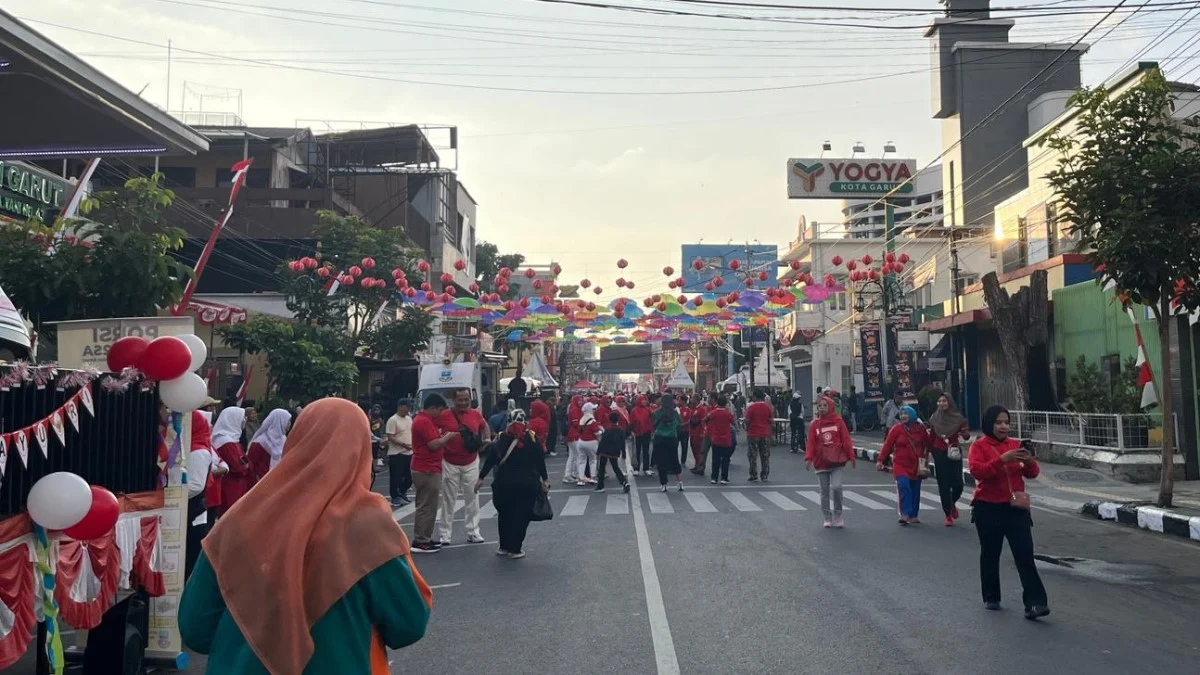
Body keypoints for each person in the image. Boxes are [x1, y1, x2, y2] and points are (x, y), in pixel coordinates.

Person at [180, 398, 433, 674]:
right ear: (361, 452)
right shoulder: (369, 528)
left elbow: (196, 629)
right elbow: (409, 625)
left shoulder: (238, 521)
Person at [969, 405, 1049, 619]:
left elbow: (1031, 473)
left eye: (1006, 422)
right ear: (989, 424)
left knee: (1024, 555)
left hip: (1015, 509)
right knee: (990, 554)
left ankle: (1035, 603)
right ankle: (991, 595)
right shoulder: (979, 447)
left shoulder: (1015, 445)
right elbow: (978, 472)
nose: (1003, 426)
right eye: (998, 422)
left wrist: (1029, 461)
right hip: (987, 508)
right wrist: (1002, 459)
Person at [476, 409, 549, 559]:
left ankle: (503, 546)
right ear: (525, 421)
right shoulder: (532, 439)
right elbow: (540, 461)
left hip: (503, 484)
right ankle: (515, 548)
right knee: (521, 515)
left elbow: (490, 459)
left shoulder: (501, 438)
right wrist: (545, 479)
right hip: (527, 484)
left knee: (504, 514)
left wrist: (481, 477)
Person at [435, 388, 490, 546]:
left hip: (471, 461)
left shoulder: (475, 414)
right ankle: (445, 534)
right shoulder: (444, 415)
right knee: (448, 499)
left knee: (472, 497)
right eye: (460, 400)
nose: (464, 403)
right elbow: (432, 428)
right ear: (454, 400)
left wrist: (487, 439)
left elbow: (484, 425)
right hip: (449, 462)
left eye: (466, 399)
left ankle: (473, 531)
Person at [411, 394, 454, 553]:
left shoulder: (424, 420)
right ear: (433, 408)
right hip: (426, 468)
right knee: (426, 506)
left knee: (429, 505)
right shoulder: (424, 421)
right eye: (440, 410)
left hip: (428, 467)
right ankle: (421, 540)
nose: (441, 413)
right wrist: (447, 437)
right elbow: (434, 445)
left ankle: (425, 537)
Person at [805, 396, 856, 528]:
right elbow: (810, 443)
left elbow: (846, 439)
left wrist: (851, 456)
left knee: (837, 487)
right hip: (821, 462)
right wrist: (808, 458)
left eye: (824, 405)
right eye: (820, 406)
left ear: (830, 407)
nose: (821, 408)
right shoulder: (815, 424)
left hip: (836, 461)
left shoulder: (839, 422)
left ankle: (838, 515)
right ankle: (827, 517)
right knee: (824, 491)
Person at [877, 405, 930, 525]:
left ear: (912, 415)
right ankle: (905, 514)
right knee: (904, 486)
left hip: (917, 465)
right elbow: (887, 445)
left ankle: (913, 515)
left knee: (915, 489)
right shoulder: (897, 429)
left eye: (906, 414)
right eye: (901, 414)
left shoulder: (921, 429)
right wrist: (880, 460)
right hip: (900, 464)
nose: (903, 416)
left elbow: (928, 444)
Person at [186, 410, 223, 580]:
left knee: (191, 556)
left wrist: (170, 495)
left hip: (192, 510)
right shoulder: (192, 446)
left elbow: (195, 485)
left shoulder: (198, 451)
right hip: (191, 509)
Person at [929, 392, 971, 527]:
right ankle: (947, 514)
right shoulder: (934, 418)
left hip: (954, 452)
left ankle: (952, 503)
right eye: (939, 401)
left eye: (944, 401)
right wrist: (929, 453)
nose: (941, 403)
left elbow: (966, 436)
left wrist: (965, 433)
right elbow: (931, 437)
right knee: (944, 484)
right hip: (939, 452)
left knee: (958, 484)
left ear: (950, 402)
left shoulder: (958, 419)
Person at [211, 407, 252, 517]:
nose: (244, 420)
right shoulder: (226, 442)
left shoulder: (231, 439)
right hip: (231, 487)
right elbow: (239, 467)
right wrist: (246, 465)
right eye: (242, 417)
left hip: (235, 486)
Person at [246, 408, 291, 482]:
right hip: (260, 482)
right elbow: (250, 465)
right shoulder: (260, 442)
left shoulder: (283, 439)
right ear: (279, 421)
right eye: (288, 420)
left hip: (277, 481)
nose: (289, 423)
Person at [652, 394, 685, 492]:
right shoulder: (674, 413)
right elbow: (680, 422)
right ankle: (680, 483)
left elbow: (653, 425)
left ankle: (664, 484)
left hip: (660, 438)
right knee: (675, 460)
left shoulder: (656, 412)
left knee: (661, 462)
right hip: (672, 438)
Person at [387, 399, 415, 507]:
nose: (408, 410)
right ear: (400, 406)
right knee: (396, 476)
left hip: (409, 452)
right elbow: (390, 436)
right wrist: (403, 444)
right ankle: (395, 497)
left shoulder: (409, 419)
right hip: (397, 453)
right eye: (407, 407)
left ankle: (402, 492)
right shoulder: (393, 420)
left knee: (409, 477)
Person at [594, 411, 630, 493]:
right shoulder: (621, 430)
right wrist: (623, 452)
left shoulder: (607, 430)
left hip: (605, 451)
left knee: (602, 468)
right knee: (616, 468)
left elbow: (603, 441)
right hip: (615, 451)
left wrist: (598, 452)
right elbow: (622, 443)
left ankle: (600, 486)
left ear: (609, 419)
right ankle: (624, 482)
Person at [744, 390, 774, 482]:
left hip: (753, 434)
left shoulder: (751, 408)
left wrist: (747, 429)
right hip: (765, 434)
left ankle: (753, 474)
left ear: (755, 397)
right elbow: (771, 422)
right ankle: (764, 475)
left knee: (753, 456)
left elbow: (747, 421)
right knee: (765, 455)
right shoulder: (767, 407)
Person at [705, 395, 736, 485]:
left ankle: (714, 477)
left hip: (716, 438)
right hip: (726, 439)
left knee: (715, 459)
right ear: (725, 404)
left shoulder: (713, 413)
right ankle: (724, 477)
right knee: (725, 459)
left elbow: (706, 419)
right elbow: (733, 422)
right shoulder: (728, 413)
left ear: (717, 403)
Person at [573, 402, 601, 486]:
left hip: (581, 442)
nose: (595, 411)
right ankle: (592, 477)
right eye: (593, 409)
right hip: (591, 442)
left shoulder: (582, 419)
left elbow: (579, 430)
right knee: (593, 460)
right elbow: (597, 432)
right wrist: (601, 431)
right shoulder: (592, 420)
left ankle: (581, 479)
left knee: (582, 461)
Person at [629, 395, 654, 476]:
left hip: (646, 432)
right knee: (637, 451)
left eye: (645, 400)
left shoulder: (648, 409)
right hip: (637, 433)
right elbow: (631, 422)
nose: (645, 401)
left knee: (646, 451)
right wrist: (632, 431)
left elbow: (652, 419)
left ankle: (646, 468)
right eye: (643, 400)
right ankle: (636, 468)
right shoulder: (634, 410)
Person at [563, 395, 583, 484]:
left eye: (582, 400)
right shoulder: (575, 409)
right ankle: (573, 474)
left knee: (573, 455)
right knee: (576, 455)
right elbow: (576, 423)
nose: (581, 402)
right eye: (579, 400)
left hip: (572, 435)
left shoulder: (573, 408)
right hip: (574, 435)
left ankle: (571, 474)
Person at [676, 396, 693, 470]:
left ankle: (683, 461)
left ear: (684, 401)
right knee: (675, 446)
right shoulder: (677, 410)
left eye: (680, 400)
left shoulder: (689, 410)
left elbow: (690, 420)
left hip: (685, 431)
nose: (678, 402)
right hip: (677, 430)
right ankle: (675, 460)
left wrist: (683, 424)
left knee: (684, 446)